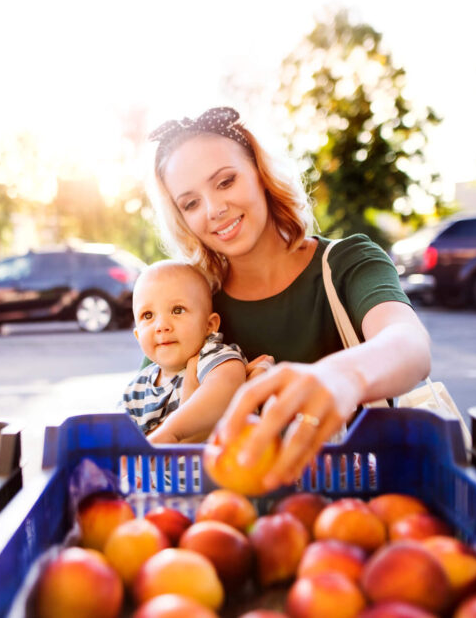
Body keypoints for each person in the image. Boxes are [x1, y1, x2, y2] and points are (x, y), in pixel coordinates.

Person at [145, 106, 431, 491]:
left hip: (358, 513)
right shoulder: (192, 304)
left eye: (226, 182)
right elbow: (157, 422)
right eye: (191, 203)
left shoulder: (346, 263)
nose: (214, 210)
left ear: (260, 175)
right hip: (230, 525)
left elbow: (410, 346)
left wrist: (341, 376)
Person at [122, 260, 247, 444]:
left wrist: (172, 430)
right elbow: (119, 443)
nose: (162, 326)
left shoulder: (211, 357)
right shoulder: (135, 390)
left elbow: (227, 388)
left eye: (177, 310)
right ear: (138, 335)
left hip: (212, 472)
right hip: (154, 474)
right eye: (148, 315)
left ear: (209, 326)